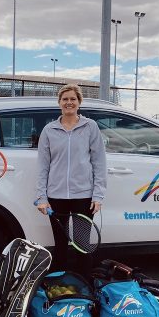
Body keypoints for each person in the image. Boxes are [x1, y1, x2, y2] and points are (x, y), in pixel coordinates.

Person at [35, 84, 107, 275]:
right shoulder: (49, 130)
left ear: (79, 102)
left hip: (83, 196)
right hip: (56, 196)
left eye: (73, 99)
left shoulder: (90, 127)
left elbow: (99, 162)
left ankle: (84, 284)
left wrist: (98, 195)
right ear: (59, 102)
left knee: (82, 245)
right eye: (65, 99)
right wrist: (42, 197)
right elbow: (43, 166)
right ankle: (61, 284)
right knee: (60, 244)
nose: (69, 102)